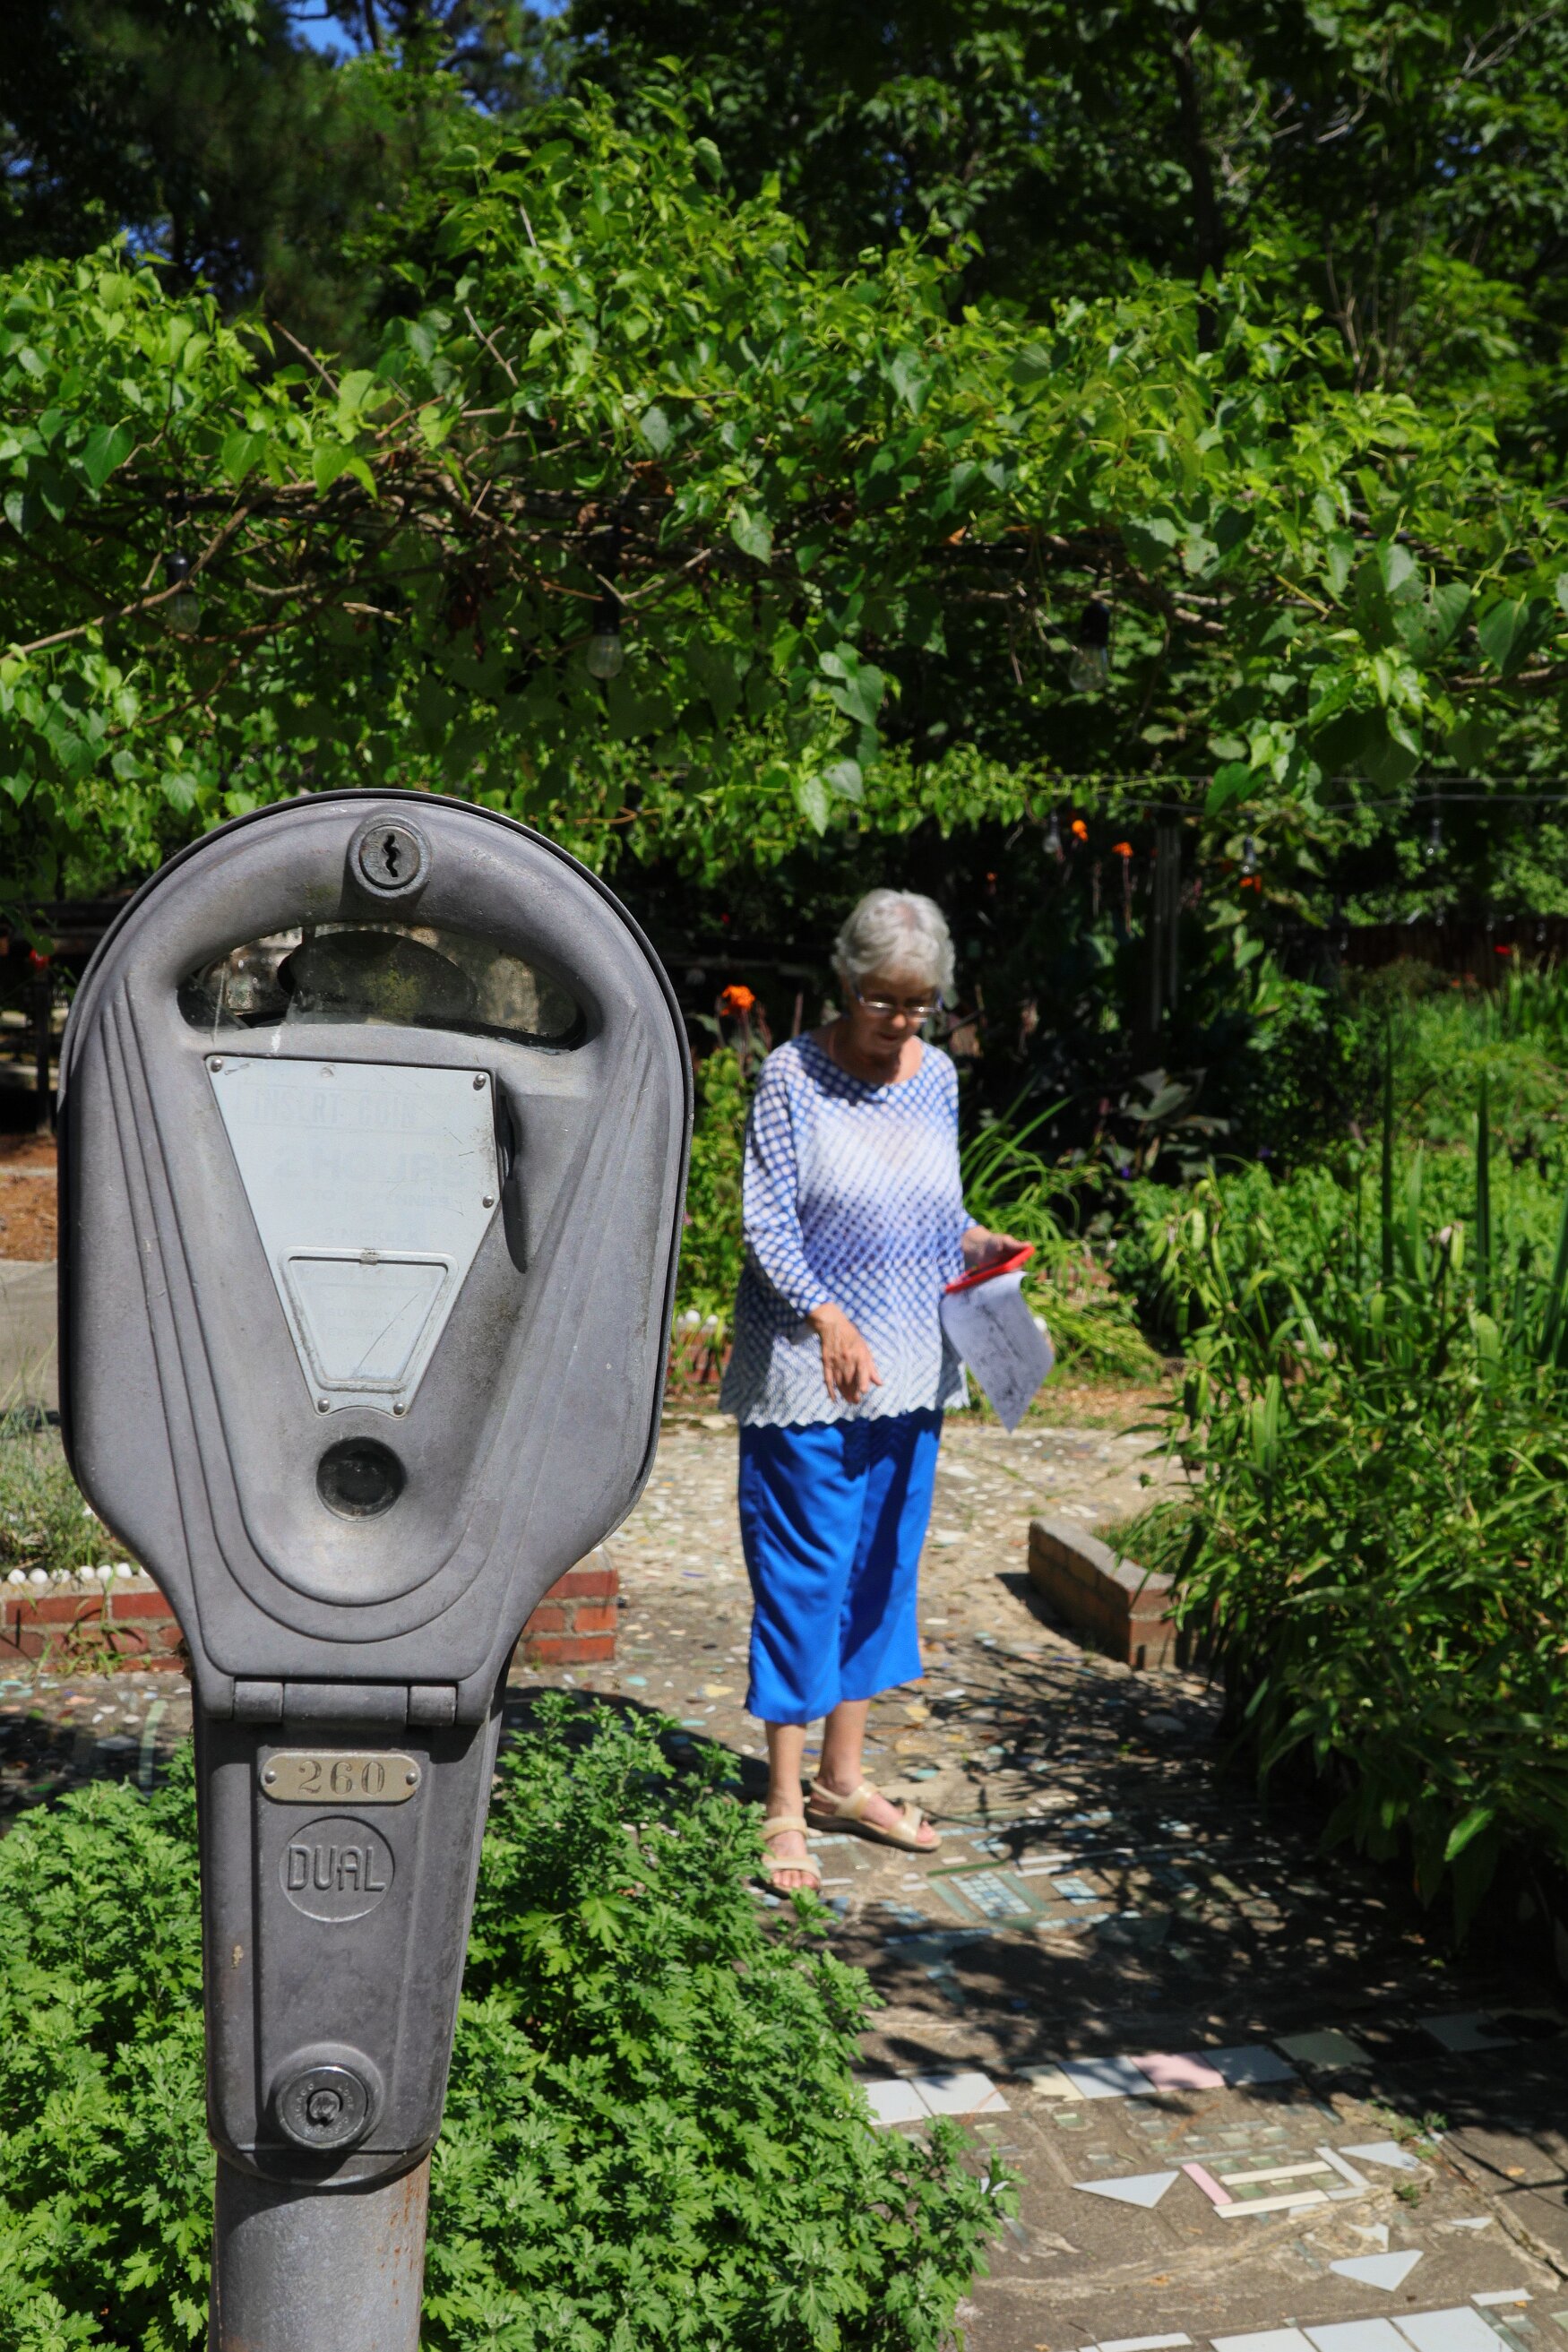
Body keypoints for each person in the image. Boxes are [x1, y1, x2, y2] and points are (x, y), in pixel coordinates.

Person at [719, 889, 1023, 1891]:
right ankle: (782, 1804)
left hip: (910, 1369)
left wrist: (979, 1244)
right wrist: (827, 1315)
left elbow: (937, 1210)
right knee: (804, 1577)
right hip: (807, 1373)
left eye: (919, 1003)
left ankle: (842, 1782)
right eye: (884, 1001)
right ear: (846, 984)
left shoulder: (936, 1077)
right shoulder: (791, 1078)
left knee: (880, 1569)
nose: (901, 1022)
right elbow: (766, 1225)